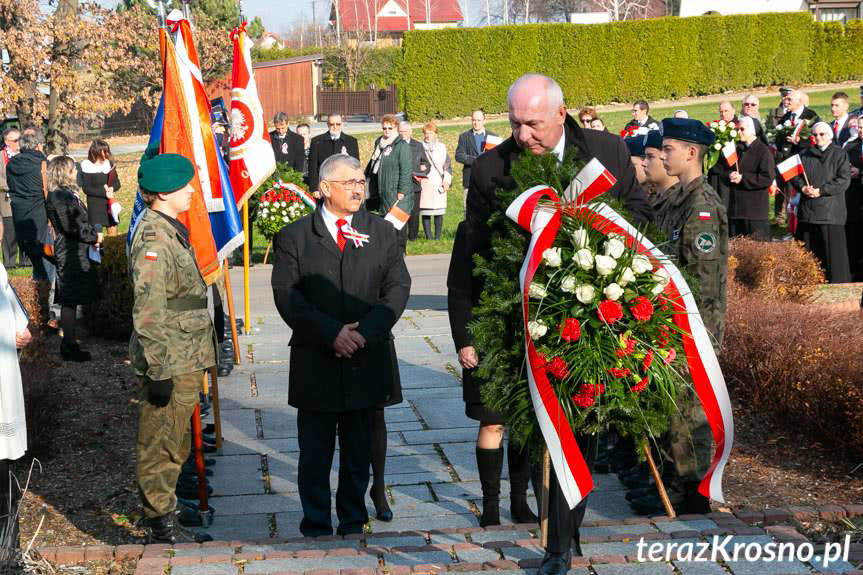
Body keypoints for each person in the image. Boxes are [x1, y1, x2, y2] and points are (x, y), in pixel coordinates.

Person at [464, 74, 651, 574]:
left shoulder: (609, 153)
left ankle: (565, 536)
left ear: (561, 113)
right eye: (515, 123)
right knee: (542, 433)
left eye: (534, 124)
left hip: (593, 317)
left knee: (583, 430)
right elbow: (474, 253)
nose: (524, 135)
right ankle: (557, 542)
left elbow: (639, 219)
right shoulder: (488, 171)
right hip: (522, 323)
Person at [271, 154, 411, 536]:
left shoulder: (381, 232)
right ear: (325, 188)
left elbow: (397, 287)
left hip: (367, 356)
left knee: (359, 450)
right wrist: (331, 332)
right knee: (315, 452)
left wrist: (364, 332)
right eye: (349, 182)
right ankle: (315, 522)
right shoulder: (296, 236)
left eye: (361, 182)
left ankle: (353, 518)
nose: (358, 188)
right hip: (317, 358)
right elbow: (287, 295)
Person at [630, 117, 727, 517]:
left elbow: (703, 281)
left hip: (692, 327)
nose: (662, 154)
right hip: (671, 324)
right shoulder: (675, 200)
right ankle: (672, 482)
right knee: (672, 409)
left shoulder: (701, 206)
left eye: (668, 149)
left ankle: (694, 490)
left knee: (690, 412)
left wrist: (694, 335)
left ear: (691, 153)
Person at [128, 153, 216, 544]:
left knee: (175, 437)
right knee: (162, 441)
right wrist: (158, 370)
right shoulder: (153, 238)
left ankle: (168, 509)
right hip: (170, 356)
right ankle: (160, 524)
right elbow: (148, 311)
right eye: (186, 186)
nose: (192, 191)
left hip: (185, 353)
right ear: (164, 192)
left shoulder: (168, 229)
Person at [45, 156, 103, 362]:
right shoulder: (59, 196)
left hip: (77, 248)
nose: (75, 172)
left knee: (75, 296)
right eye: (72, 170)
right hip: (70, 251)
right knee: (69, 299)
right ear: (63, 172)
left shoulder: (65, 194)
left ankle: (71, 341)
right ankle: (69, 345)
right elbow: (72, 226)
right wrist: (94, 236)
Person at [0, 234, 31, 565]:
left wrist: (21, 329)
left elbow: (14, 308)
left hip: (5, 379)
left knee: (5, 469)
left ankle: (10, 554)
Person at [792, 122, 851, 283]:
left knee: (833, 255)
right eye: (815, 135)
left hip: (830, 213)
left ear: (830, 135)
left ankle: (837, 283)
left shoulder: (840, 154)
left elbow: (843, 180)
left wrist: (821, 191)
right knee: (808, 253)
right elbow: (794, 176)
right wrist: (803, 188)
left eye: (822, 134)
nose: (818, 138)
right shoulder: (804, 154)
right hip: (808, 212)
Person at [6, 128, 54, 285]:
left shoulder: (12, 164)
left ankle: (38, 298)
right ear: (38, 145)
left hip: (20, 219)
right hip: (40, 219)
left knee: (37, 268)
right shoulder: (42, 165)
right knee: (49, 269)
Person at [365, 115, 413, 251]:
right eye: (384, 128)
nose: (386, 131)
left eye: (389, 128)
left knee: (397, 224)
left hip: (396, 192)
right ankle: (387, 251)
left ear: (396, 128)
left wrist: (402, 191)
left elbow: (406, 170)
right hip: (381, 190)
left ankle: (400, 251)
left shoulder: (402, 146)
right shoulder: (379, 143)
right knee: (384, 223)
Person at [726, 117, 775, 240]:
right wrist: (731, 174)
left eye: (742, 129)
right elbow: (728, 168)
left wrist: (743, 178)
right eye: (738, 129)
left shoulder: (763, 151)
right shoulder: (738, 149)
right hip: (737, 209)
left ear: (752, 130)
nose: (739, 132)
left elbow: (767, 177)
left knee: (758, 250)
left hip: (754, 211)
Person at [78, 139, 121, 236]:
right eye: (104, 151)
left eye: (107, 151)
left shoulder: (109, 164)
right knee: (97, 237)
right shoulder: (86, 165)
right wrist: (104, 193)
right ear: (96, 152)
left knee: (113, 233)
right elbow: (86, 189)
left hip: (109, 204)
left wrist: (112, 189)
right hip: (95, 206)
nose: (107, 153)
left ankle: (112, 250)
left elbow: (117, 183)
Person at [308, 114, 360, 194]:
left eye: (338, 124)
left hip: (345, 187)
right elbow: (312, 168)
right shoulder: (317, 141)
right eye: (332, 124)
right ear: (327, 124)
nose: (335, 127)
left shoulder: (351, 141)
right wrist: (314, 188)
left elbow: (356, 167)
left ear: (342, 124)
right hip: (324, 187)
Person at [419, 122, 452, 241]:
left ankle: (437, 237)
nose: (428, 136)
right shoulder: (419, 146)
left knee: (439, 210)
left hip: (439, 181)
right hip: (425, 182)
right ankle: (428, 237)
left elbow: (447, 165)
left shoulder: (442, 147)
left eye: (431, 133)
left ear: (435, 133)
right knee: (426, 211)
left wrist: (446, 181)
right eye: (426, 133)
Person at [456, 110, 497, 201]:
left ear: (484, 121)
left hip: (488, 181)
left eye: (479, 120)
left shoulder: (493, 137)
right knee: (469, 211)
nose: (476, 123)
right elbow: (458, 155)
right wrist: (475, 160)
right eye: (474, 120)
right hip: (470, 181)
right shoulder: (464, 137)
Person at [399, 121, 426, 241]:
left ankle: (413, 237)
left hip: (415, 184)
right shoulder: (396, 145)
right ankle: (401, 236)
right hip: (400, 185)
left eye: (404, 131)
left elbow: (425, 163)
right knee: (401, 211)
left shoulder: (418, 145)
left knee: (414, 213)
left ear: (410, 132)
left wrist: (423, 171)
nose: (402, 134)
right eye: (400, 131)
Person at [844, 115, 863, 280]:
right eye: (860, 128)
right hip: (855, 197)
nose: (861, 131)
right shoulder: (851, 147)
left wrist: (861, 172)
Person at [1, 128, 21, 268]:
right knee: (10, 232)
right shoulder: (1, 157)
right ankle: (9, 262)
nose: (18, 143)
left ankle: (26, 261)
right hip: (6, 199)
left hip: (24, 199)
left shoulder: (24, 156)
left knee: (25, 229)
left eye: (19, 139)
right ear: (6, 142)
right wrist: (11, 186)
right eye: (15, 140)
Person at [642, 130, 678, 199]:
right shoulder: (654, 198)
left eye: (650, 156)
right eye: (644, 157)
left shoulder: (680, 200)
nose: (644, 163)